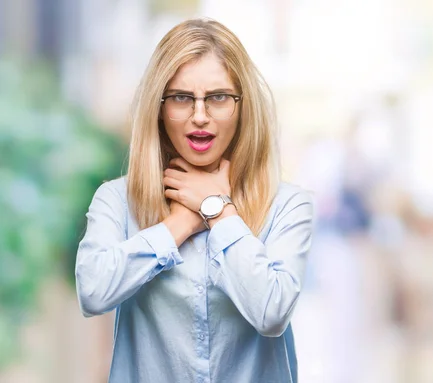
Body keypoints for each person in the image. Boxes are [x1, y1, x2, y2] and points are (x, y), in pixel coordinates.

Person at [75, 18, 314, 383]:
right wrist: (177, 226)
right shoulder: (117, 200)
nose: (199, 116)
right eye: (182, 98)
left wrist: (218, 211)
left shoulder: (288, 205)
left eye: (218, 97)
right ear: (158, 107)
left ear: (242, 105)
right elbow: (92, 291)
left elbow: (272, 312)